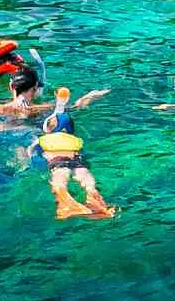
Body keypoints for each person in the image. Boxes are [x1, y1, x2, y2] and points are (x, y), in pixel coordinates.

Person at [25, 85, 116, 219]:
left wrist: (27, 158)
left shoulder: (42, 139)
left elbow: (30, 152)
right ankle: (99, 205)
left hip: (59, 162)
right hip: (79, 162)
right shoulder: (75, 139)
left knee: (60, 183)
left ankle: (65, 206)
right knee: (88, 183)